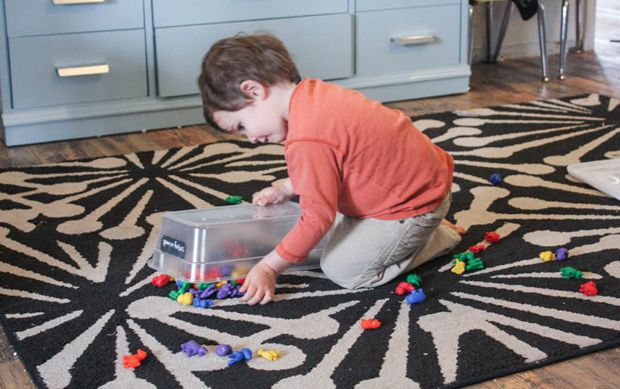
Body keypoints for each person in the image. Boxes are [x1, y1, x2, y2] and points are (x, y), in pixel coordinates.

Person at [198, 34, 464, 305]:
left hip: (413, 205)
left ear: (254, 90)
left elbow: (317, 218)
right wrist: (286, 187)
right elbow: (338, 162)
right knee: (320, 229)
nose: (251, 139)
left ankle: (435, 238)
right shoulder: (315, 95)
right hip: (421, 183)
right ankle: (418, 228)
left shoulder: (307, 138)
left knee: (342, 268)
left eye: (241, 126)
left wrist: (269, 267)